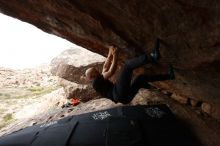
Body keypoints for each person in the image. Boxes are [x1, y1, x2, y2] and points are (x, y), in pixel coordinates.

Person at [85, 39, 175, 104]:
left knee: (141, 78)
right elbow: (111, 71)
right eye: (95, 71)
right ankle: (152, 56)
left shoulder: (97, 80)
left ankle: (169, 76)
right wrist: (115, 55)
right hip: (117, 93)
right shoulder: (96, 83)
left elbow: (105, 68)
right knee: (127, 66)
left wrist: (109, 52)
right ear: (92, 76)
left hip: (124, 99)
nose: (97, 70)